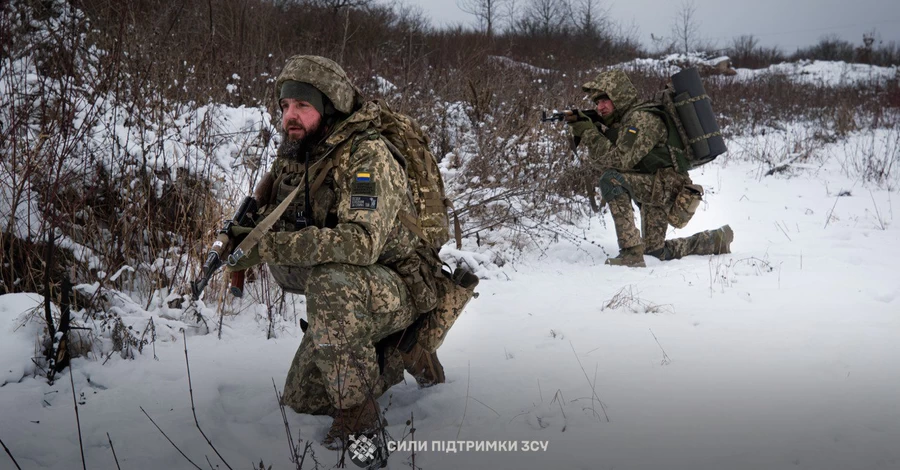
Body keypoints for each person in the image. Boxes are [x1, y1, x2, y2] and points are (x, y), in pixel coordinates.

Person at [225, 55, 445, 449]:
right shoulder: (304, 149)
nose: (290, 116)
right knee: (303, 400)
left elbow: (361, 242)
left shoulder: (367, 156)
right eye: (285, 106)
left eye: (302, 105)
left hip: (399, 281)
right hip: (353, 290)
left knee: (330, 281)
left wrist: (268, 246)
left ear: (330, 107)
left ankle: (359, 416)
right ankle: (399, 351)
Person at [567, 69, 734, 267]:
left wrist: (589, 134)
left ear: (618, 96)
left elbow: (620, 161)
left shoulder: (642, 119)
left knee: (611, 178)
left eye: (604, 100)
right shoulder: (626, 120)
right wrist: (593, 131)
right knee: (656, 252)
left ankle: (630, 253)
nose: (600, 107)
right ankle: (715, 240)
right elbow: (604, 160)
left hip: (664, 186)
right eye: (596, 103)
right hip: (655, 184)